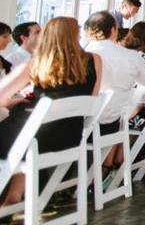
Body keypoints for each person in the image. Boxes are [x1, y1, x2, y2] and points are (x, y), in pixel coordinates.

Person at [0, 17, 102, 207]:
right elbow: (92, 98)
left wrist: (14, 102)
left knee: (19, 132)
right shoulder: (94, 60)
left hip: (32, 140)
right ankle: (13, 197)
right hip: (69, 138)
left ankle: (10, 195)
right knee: (26, 134)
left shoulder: (37, 63)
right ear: (76, 35)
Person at [84, 11, 145, 162]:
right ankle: (105, 171)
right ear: (113, 30)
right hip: (113, 120)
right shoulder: (132, 57)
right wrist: (131, 105)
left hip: (80, 126)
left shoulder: (81, 54)